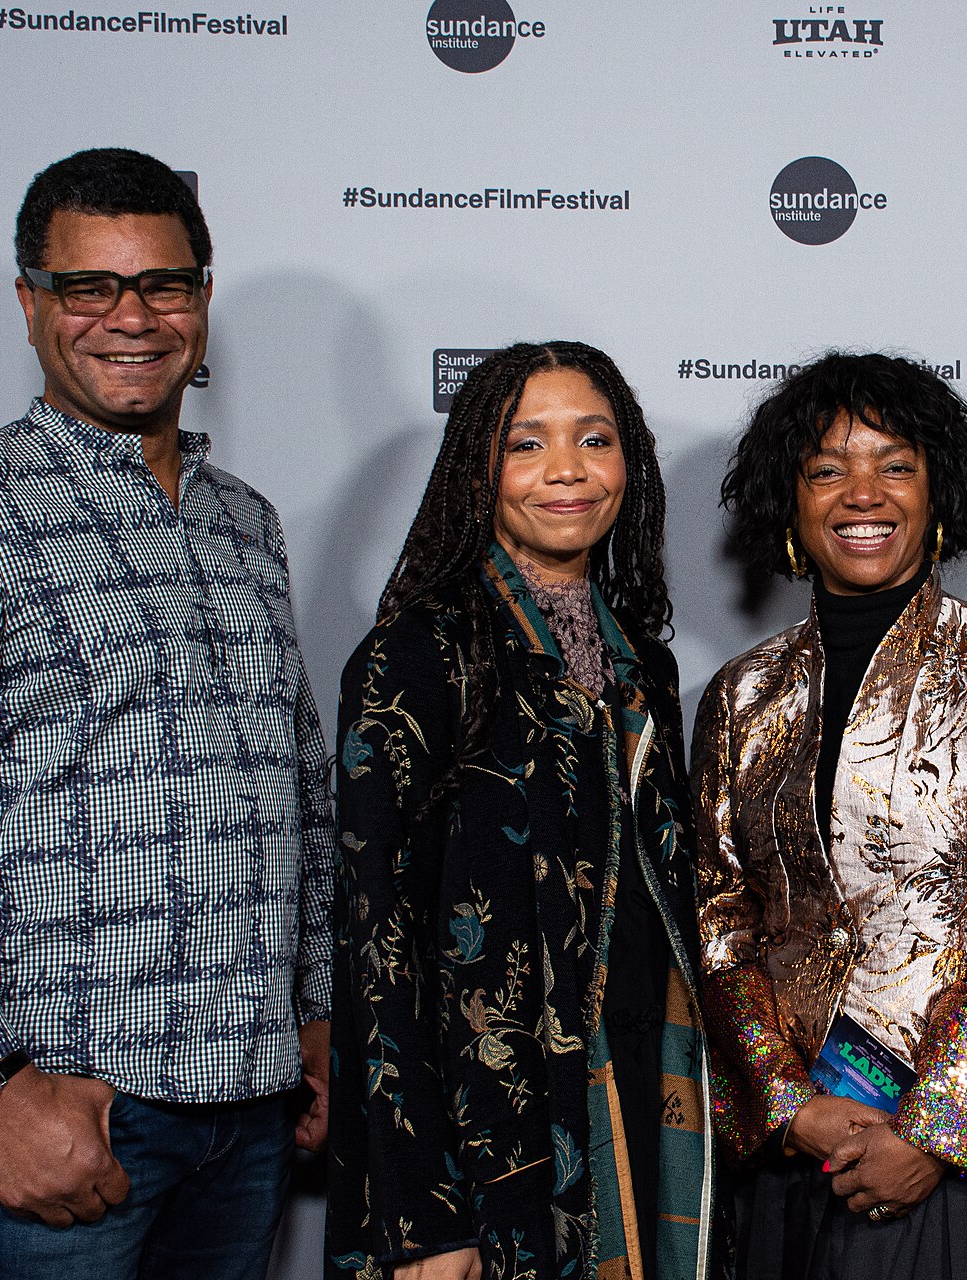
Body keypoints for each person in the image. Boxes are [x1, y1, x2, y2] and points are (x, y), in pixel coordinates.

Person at [0, 147, 334, 1280]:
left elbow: (298, 783)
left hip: (249, 1110)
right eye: (89, 286)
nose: (129, 317)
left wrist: (317, 1015)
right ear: (31, 302)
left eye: (162, 283)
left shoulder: (248, 521)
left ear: (202, 296)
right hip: (71, 1107)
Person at [696, 353, 967, 1280]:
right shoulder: (741, 694)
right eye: (826, 468)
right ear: (792, 501)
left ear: (937, 492)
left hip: (957, 1160)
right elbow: (719, 920)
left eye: (895, 464)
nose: (863, 493)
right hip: (796, 1149)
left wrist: (935, 1133)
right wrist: (787, 1101)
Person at [325, 342, 712, 1280]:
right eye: (526, 445)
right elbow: (374, 940)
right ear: (477, 469)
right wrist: (420, 1212)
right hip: (484, 1126)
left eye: (595, 439)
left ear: (633, 463)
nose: (567, 470)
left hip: (631, 1069)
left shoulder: (640, 663)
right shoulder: (417, 654)